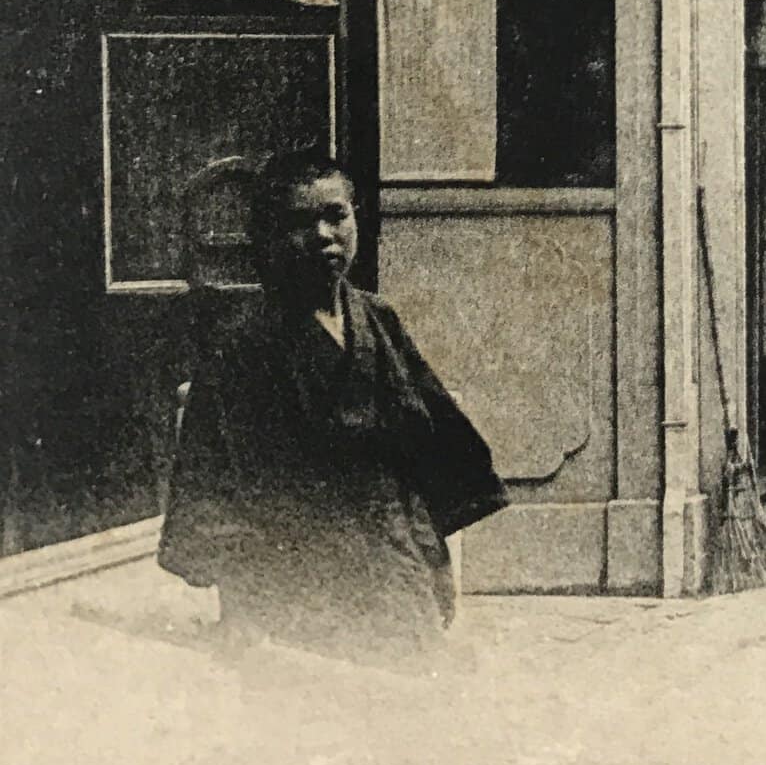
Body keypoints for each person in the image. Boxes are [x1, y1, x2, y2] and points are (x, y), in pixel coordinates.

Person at [159, 150, 508, 664]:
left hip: (393, 567)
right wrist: (240, 607)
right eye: (298, 223)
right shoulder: (241, 344)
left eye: (335, 215)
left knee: (412, 697)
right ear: (267, 237)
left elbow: (428, 449)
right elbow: (211, 480)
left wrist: (434, 562)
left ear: (355, 217)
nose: (323, 235)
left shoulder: (378, 319)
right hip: (295, 581)